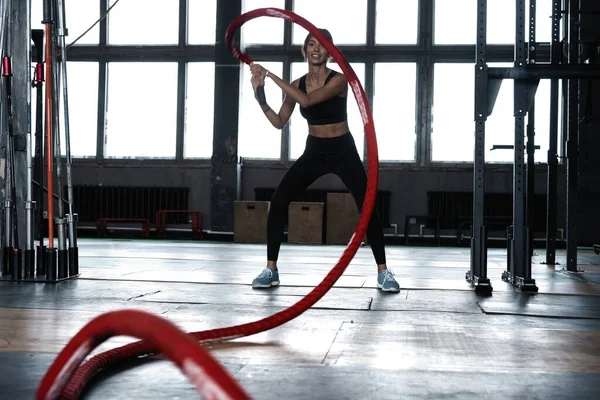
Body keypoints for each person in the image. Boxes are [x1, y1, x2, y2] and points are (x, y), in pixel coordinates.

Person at [248, 29, 400, 293]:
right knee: (279, 199)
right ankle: (271, 269)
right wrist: (260, 96)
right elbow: (279, 122)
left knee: (367, 205)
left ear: (330, 53)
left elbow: (308, 100)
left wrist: (270, 75)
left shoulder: (340, 80)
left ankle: (383, 272)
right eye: (311, 44)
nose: (316, 49)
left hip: (343, 149)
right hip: (314, 150)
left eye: (323, 45)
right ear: (304, 51)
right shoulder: (296, 84)